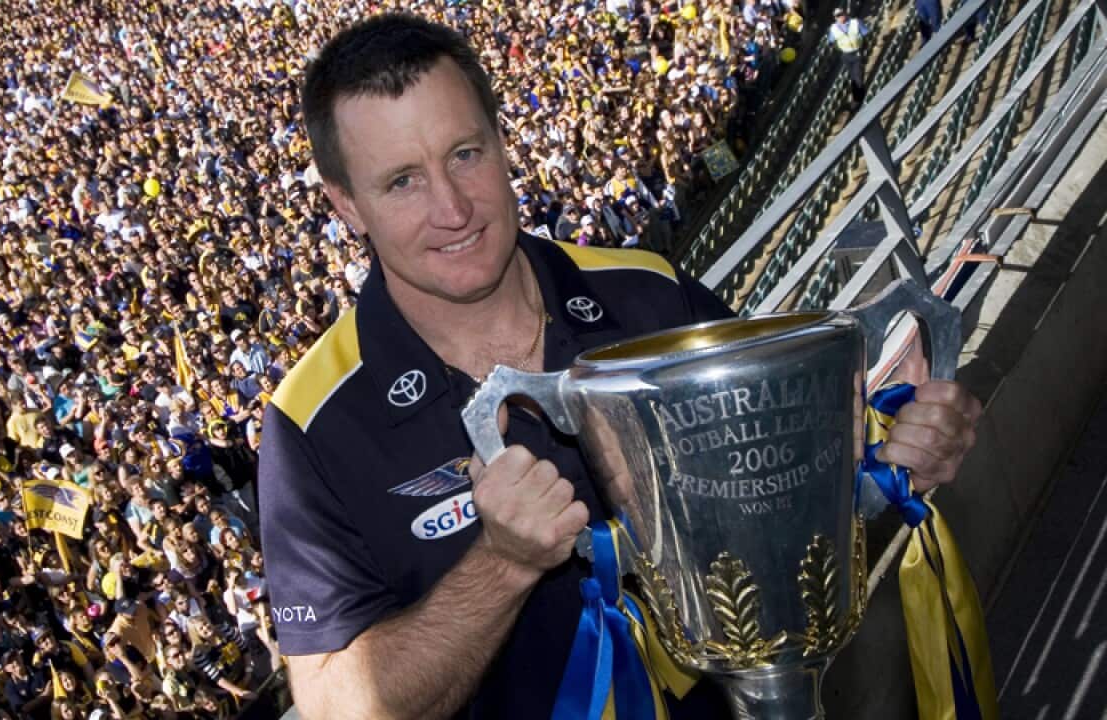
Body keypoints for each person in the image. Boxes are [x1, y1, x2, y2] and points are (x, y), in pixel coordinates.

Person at [258, 12, 985, 720]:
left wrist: (892, 457)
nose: (452, 208)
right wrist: (503, 565)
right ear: (347, 205)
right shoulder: (310, 425)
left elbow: (783, 479)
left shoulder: (648, 292)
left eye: (465, 154)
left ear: (503, 142)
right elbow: (333, 705)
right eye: (402, 182)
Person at [829, 7, 871, 107]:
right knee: (853, 77)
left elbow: (865, 33)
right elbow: (831, 41)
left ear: (845, 13)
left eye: (841, 14)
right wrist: (839, 48)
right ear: (835, 18)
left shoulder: (855, 22)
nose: (840, 17)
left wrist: (863, 45)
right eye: (838, 16)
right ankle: (858, 97)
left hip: (857, 51)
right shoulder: (833, 28)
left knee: (857, 76)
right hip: (846, 55)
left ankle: (858, 100)